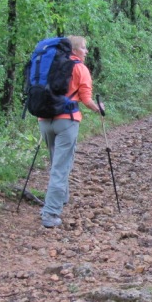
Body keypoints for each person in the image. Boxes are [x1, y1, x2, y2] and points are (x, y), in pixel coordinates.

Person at [39, 35, 103, 229]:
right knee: (60, 167)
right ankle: (50, 213)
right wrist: (99, 108)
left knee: (56, 163)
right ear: (74, 50)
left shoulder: (49, 64)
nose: (86, 51)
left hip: (44, 120)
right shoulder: (80, 68)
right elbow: (85, 98)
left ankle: (61, 199)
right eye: (84, 48)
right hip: (67, 122)